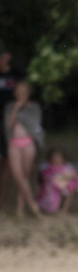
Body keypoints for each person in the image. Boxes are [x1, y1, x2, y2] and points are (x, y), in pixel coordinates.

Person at [3, 80, 43, 218]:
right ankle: (33, 206)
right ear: (15, 93)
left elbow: (34, 124)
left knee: (25, 176)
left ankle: (20, 210)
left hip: (28, 143)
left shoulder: (34, 107)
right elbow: (9, 124)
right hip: (14, 143)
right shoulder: (10, 106)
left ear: (28, 93)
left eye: (24, 93)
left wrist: (22, 111)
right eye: (19, 93)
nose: (21, 95)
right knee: (19, 177)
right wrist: (16, 108)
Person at [0, 45, 24, 208]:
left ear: (8, 56)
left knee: (7, 162)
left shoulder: (17, 75)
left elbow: (23, 96)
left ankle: (2, 200)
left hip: (9, 122)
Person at [36, 149, 78, 214]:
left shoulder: (66, 167)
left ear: (62, 159)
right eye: (55, 158)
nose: (57, 160)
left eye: (58, 158)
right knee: (59, 191)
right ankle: (55, 208)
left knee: (70, 190)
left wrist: (69, 177)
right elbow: (46, 177)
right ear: (50, 159)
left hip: (65, 185)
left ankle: (64, 210)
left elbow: (75, 175)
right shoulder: (47, 167)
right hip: (52, 186)